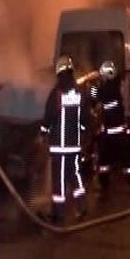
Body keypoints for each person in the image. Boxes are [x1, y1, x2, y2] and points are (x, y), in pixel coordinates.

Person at [41, 55, 89, 224]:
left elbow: (49, 116)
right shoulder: (79, 92)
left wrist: (43, 132)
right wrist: (80, 135)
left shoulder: (57, 93)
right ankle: (82, 206)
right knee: (75, 175)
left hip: (59, 148)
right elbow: (84, 119)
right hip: (74, 146)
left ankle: (58, 213)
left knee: (59, 180)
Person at [89, 60, 130, 195]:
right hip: (116, 132)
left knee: (110, 161)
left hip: (113, 132)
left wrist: (94, 86)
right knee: (117, 161)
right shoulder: (115, 85)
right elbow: (96, 101)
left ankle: (108, 185)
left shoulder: (110, 89)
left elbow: (96, 101)